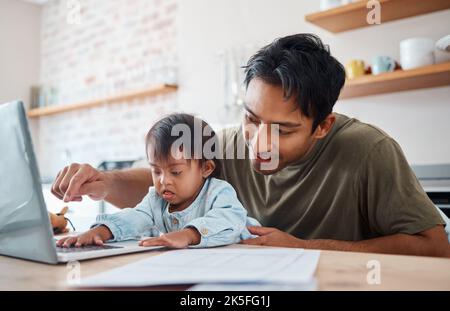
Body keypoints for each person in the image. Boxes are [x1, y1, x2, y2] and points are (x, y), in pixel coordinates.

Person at [52, 34, 449, 257]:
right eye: (252, 119)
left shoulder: (370, 151)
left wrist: (304, 247)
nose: (259, 145)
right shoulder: (225, 143)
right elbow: (164, 182)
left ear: (323, 126)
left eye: (282, 130)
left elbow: (434, 247)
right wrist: (104, 183)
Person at [57, 114, 259, 248]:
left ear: (206, 168)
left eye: (176, 172)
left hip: (254, 256)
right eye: (156, 171)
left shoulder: (218, 191)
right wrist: (101, 231)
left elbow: (229, 219)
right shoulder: (156, 199)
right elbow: (136, 217)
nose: (164, 181)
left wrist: (189, 235)